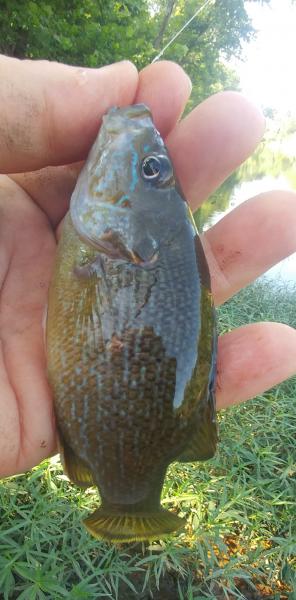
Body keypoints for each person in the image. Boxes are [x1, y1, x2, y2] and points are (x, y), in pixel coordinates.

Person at [0, 55, 295, 479]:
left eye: (150, 170)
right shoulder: (118, 246)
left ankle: (129, 492)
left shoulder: (120, 248)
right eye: (154, 168)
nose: (142, 144)